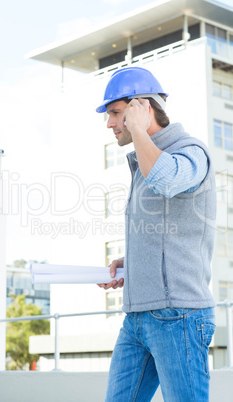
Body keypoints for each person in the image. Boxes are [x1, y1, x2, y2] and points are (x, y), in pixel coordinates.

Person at [96, 66, 216, 402]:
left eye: (116, 113)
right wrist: (130, 264)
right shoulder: (141, 161)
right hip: (137, 318)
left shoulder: (191, 152)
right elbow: (164, 236)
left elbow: (165, 180)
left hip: (178, 315)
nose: (109, 124)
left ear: (143, 108)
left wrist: (136, 130)